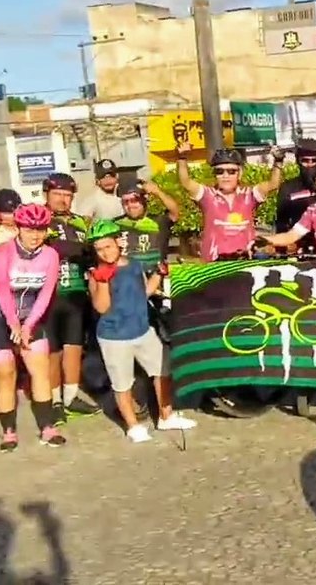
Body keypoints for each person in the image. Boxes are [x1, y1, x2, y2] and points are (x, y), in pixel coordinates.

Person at [86, 219, 197, 442]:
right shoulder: (94, 273)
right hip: (114, 337)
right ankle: (133, 426)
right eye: (99, 249)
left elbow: (145, 291)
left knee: (163, 370)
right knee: (122, 382)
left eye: (108, 246)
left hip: (143, 330)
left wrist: (159, 274)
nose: (104, 253)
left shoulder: (135, 265)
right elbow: (101, 307)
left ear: (119, 242)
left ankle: (166, 416)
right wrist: (104, 282)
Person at [0, 204, 65, 451]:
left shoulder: (50, 255)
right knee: (6, 373)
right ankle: (9, 431)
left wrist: (29, 325)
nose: (35, 235)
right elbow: (2, 290)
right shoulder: (4, 251)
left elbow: (46, 295)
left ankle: (47, 427)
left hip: (30, 314)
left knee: (39, 369)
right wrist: (14, 324)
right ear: (19, 228)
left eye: (41, 230)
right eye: (29, 229)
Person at [41, 172, 101, 423]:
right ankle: (53, 401)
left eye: (68, 195)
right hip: (49, 296)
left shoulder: (80, 222)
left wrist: (84, 251)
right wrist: (79, 250)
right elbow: (52, 248)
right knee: (52, 352)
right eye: (58, 194)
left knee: (74, 348)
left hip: (77, 294)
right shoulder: (39, 219)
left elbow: (93, 251)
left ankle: (71, 397)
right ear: (47, 194)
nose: (63, 200)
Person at [176, 141, 283, 261]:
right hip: (214, 262)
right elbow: (186, 182)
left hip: (244, 259)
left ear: (240, 173)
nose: (225, 176)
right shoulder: (207, 195)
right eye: (219, 172)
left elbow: (273, 184)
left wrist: (278, 161)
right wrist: (182, 157)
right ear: (214, 175)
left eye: (231, 171)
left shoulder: (249, 194)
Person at [113, 178, 179, 272]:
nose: (130, 205)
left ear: (144, 200)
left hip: (156, 275)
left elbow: (175, 212)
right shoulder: (115, 224)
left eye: (134, 200)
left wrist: (158, 192)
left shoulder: (158, 221)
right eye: (126, 202)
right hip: (128, 277)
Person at [271, 138, 316, 253]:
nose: (309, 165)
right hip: (298, 247)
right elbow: (281, 222)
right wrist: (282, 250)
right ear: (297, 161)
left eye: (313, 160)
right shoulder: (288, 188)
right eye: (305, 160)